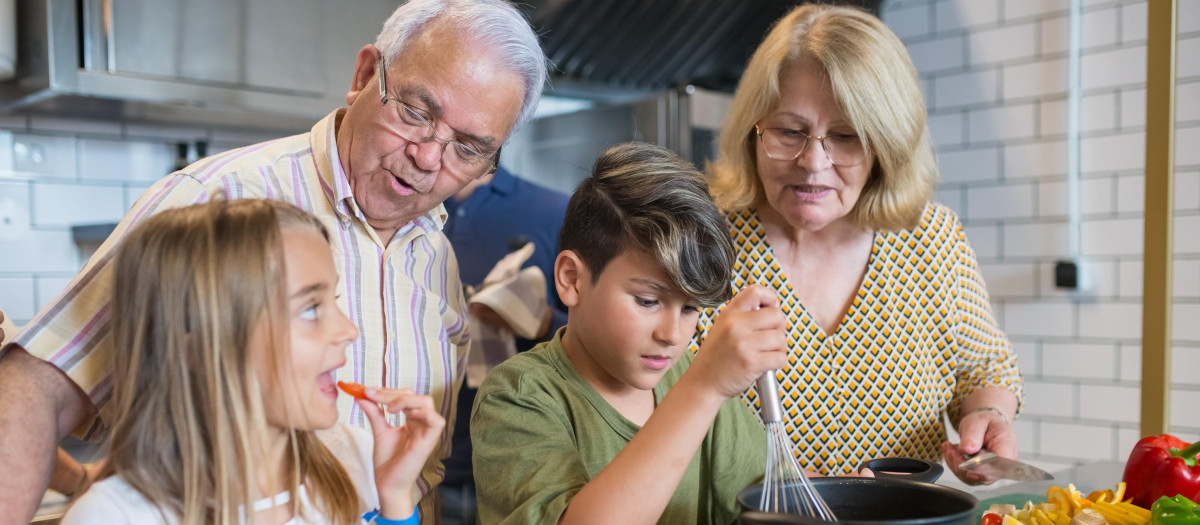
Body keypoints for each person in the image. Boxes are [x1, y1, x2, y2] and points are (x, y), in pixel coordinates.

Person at [0, 0, 547, 521]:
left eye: (469, 148)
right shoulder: (218, 200)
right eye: (415, 110)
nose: (429, 156)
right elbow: (35, 391)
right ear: (363, 76)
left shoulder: (435, 255)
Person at [692, 3, 1023, 484]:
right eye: (790, 131)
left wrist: (989, 416)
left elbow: (983, 368)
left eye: (845, 137)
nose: (813, 162)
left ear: (886, 146)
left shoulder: (930, 240)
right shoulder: (703, 244)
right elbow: (646, 407)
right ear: (753, 129)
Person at [60, 199, 444, 525]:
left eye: (334, 302)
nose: (348, 330)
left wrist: (394, 499)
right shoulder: (115, 515)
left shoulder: (357, 457)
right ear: (196, 350)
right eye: (311, 308)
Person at [471, 142, 789, 524]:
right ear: (572, 279)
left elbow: (776, 498)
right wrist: (703, 387)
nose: (673, 334)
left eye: (690, 309)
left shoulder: (691, 379)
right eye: (647, 301)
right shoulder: (519, 396)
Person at [439, 166, 569, 524]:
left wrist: (541, 321)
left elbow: (598, 337)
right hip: (412, 467)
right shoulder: (406, 203)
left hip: (523, 465)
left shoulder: (554, 211)